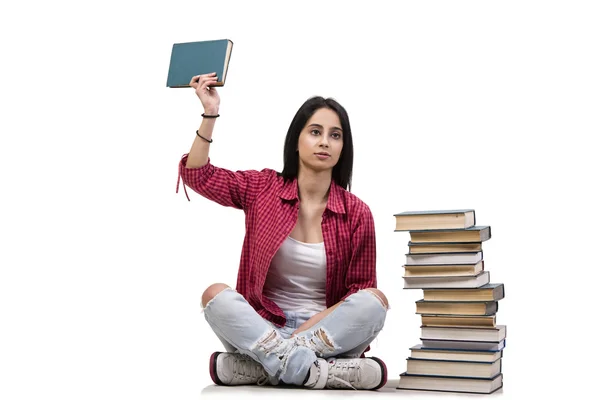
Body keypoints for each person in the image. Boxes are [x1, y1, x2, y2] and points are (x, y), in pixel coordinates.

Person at [176, 72, 389, 390]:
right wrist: (210, 113)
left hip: (324, 334)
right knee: (214, 295)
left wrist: (298, 339)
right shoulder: (262, 187)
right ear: (297, 139)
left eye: (335, 135)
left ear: (344, 147)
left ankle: (265, 366)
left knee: (374, 300)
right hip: (263, 326)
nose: (324, 142)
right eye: (315, 131)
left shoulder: (356, 212)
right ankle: (319, 373)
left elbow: (356, 296)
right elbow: (198, 175)